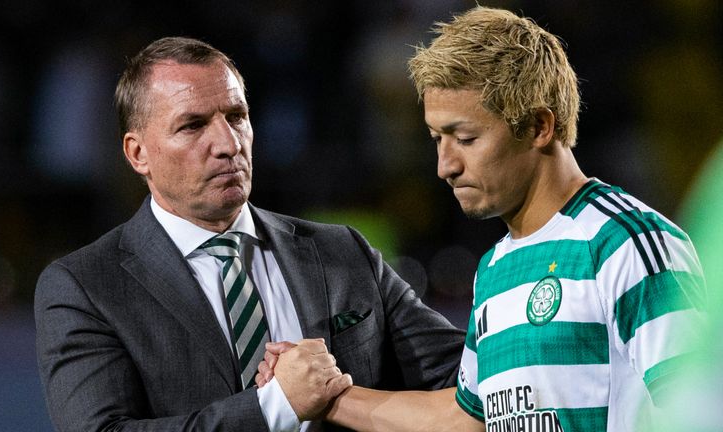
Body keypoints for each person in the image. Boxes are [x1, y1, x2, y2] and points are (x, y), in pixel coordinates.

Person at [258, 6, 707, 432]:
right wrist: (326, 396)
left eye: (465, 138)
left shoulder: (626, 242)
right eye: (437, 139)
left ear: (538, 127)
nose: (445, 166)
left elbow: (700, 410)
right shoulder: (495, 267)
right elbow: (467, 420)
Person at [34, 36, 466, 431]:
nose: (228, 143)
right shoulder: (86, 287)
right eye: (192, 125)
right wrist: (276, 405)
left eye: (236, 116)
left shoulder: (341, 252)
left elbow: (466, 376)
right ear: (138, 153)